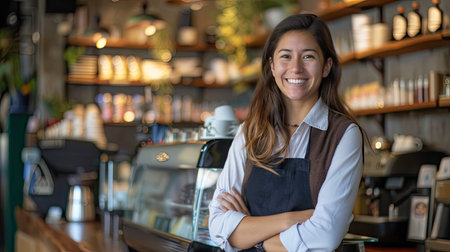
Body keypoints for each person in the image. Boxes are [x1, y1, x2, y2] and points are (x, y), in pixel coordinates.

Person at [208, 14, 364, 252]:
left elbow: (325, 237)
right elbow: (218, 227)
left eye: (308, 56)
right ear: (272, 66)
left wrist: (251, 233)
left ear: (326, 66)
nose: (296, 68)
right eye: (286, 56)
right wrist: (292, 219)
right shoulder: (250, 132)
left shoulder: (344, 135)